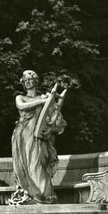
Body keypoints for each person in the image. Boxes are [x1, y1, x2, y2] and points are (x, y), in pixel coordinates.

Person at [11, 69, 66, 203]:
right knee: (25, 165)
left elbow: (56, 118)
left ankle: (45, 194)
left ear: (36, 81)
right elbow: (22, 106)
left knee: (37, 164)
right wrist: (42, 102)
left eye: (31, 79)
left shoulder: (45, 98)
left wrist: (51, 129)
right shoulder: (21, 97)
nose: (28, 82)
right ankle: (29, 193)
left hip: (38, 136)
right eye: (25, 80)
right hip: (23, 136)